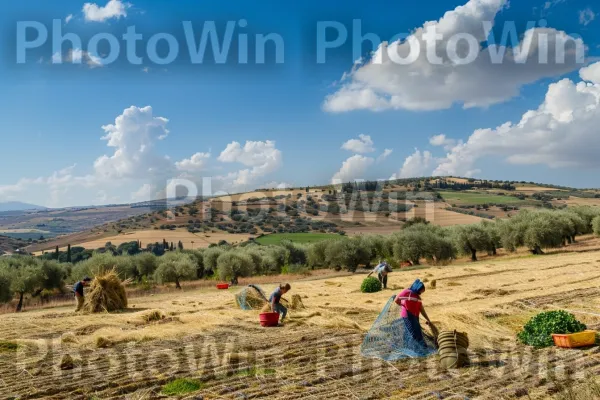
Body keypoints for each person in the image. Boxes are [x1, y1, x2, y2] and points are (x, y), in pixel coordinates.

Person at [394, 279, 436, 348]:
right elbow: (396, 300)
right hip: (407, 316)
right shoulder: (406, 292)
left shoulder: (418, 297)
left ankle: (415, 347)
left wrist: (428, 319)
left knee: (415, 332)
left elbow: (421, 310)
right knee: (411, 332)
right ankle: (412, 348)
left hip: (415, 317)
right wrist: (403, 306)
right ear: (417, 288)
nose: (420, 293)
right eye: (420, 291)